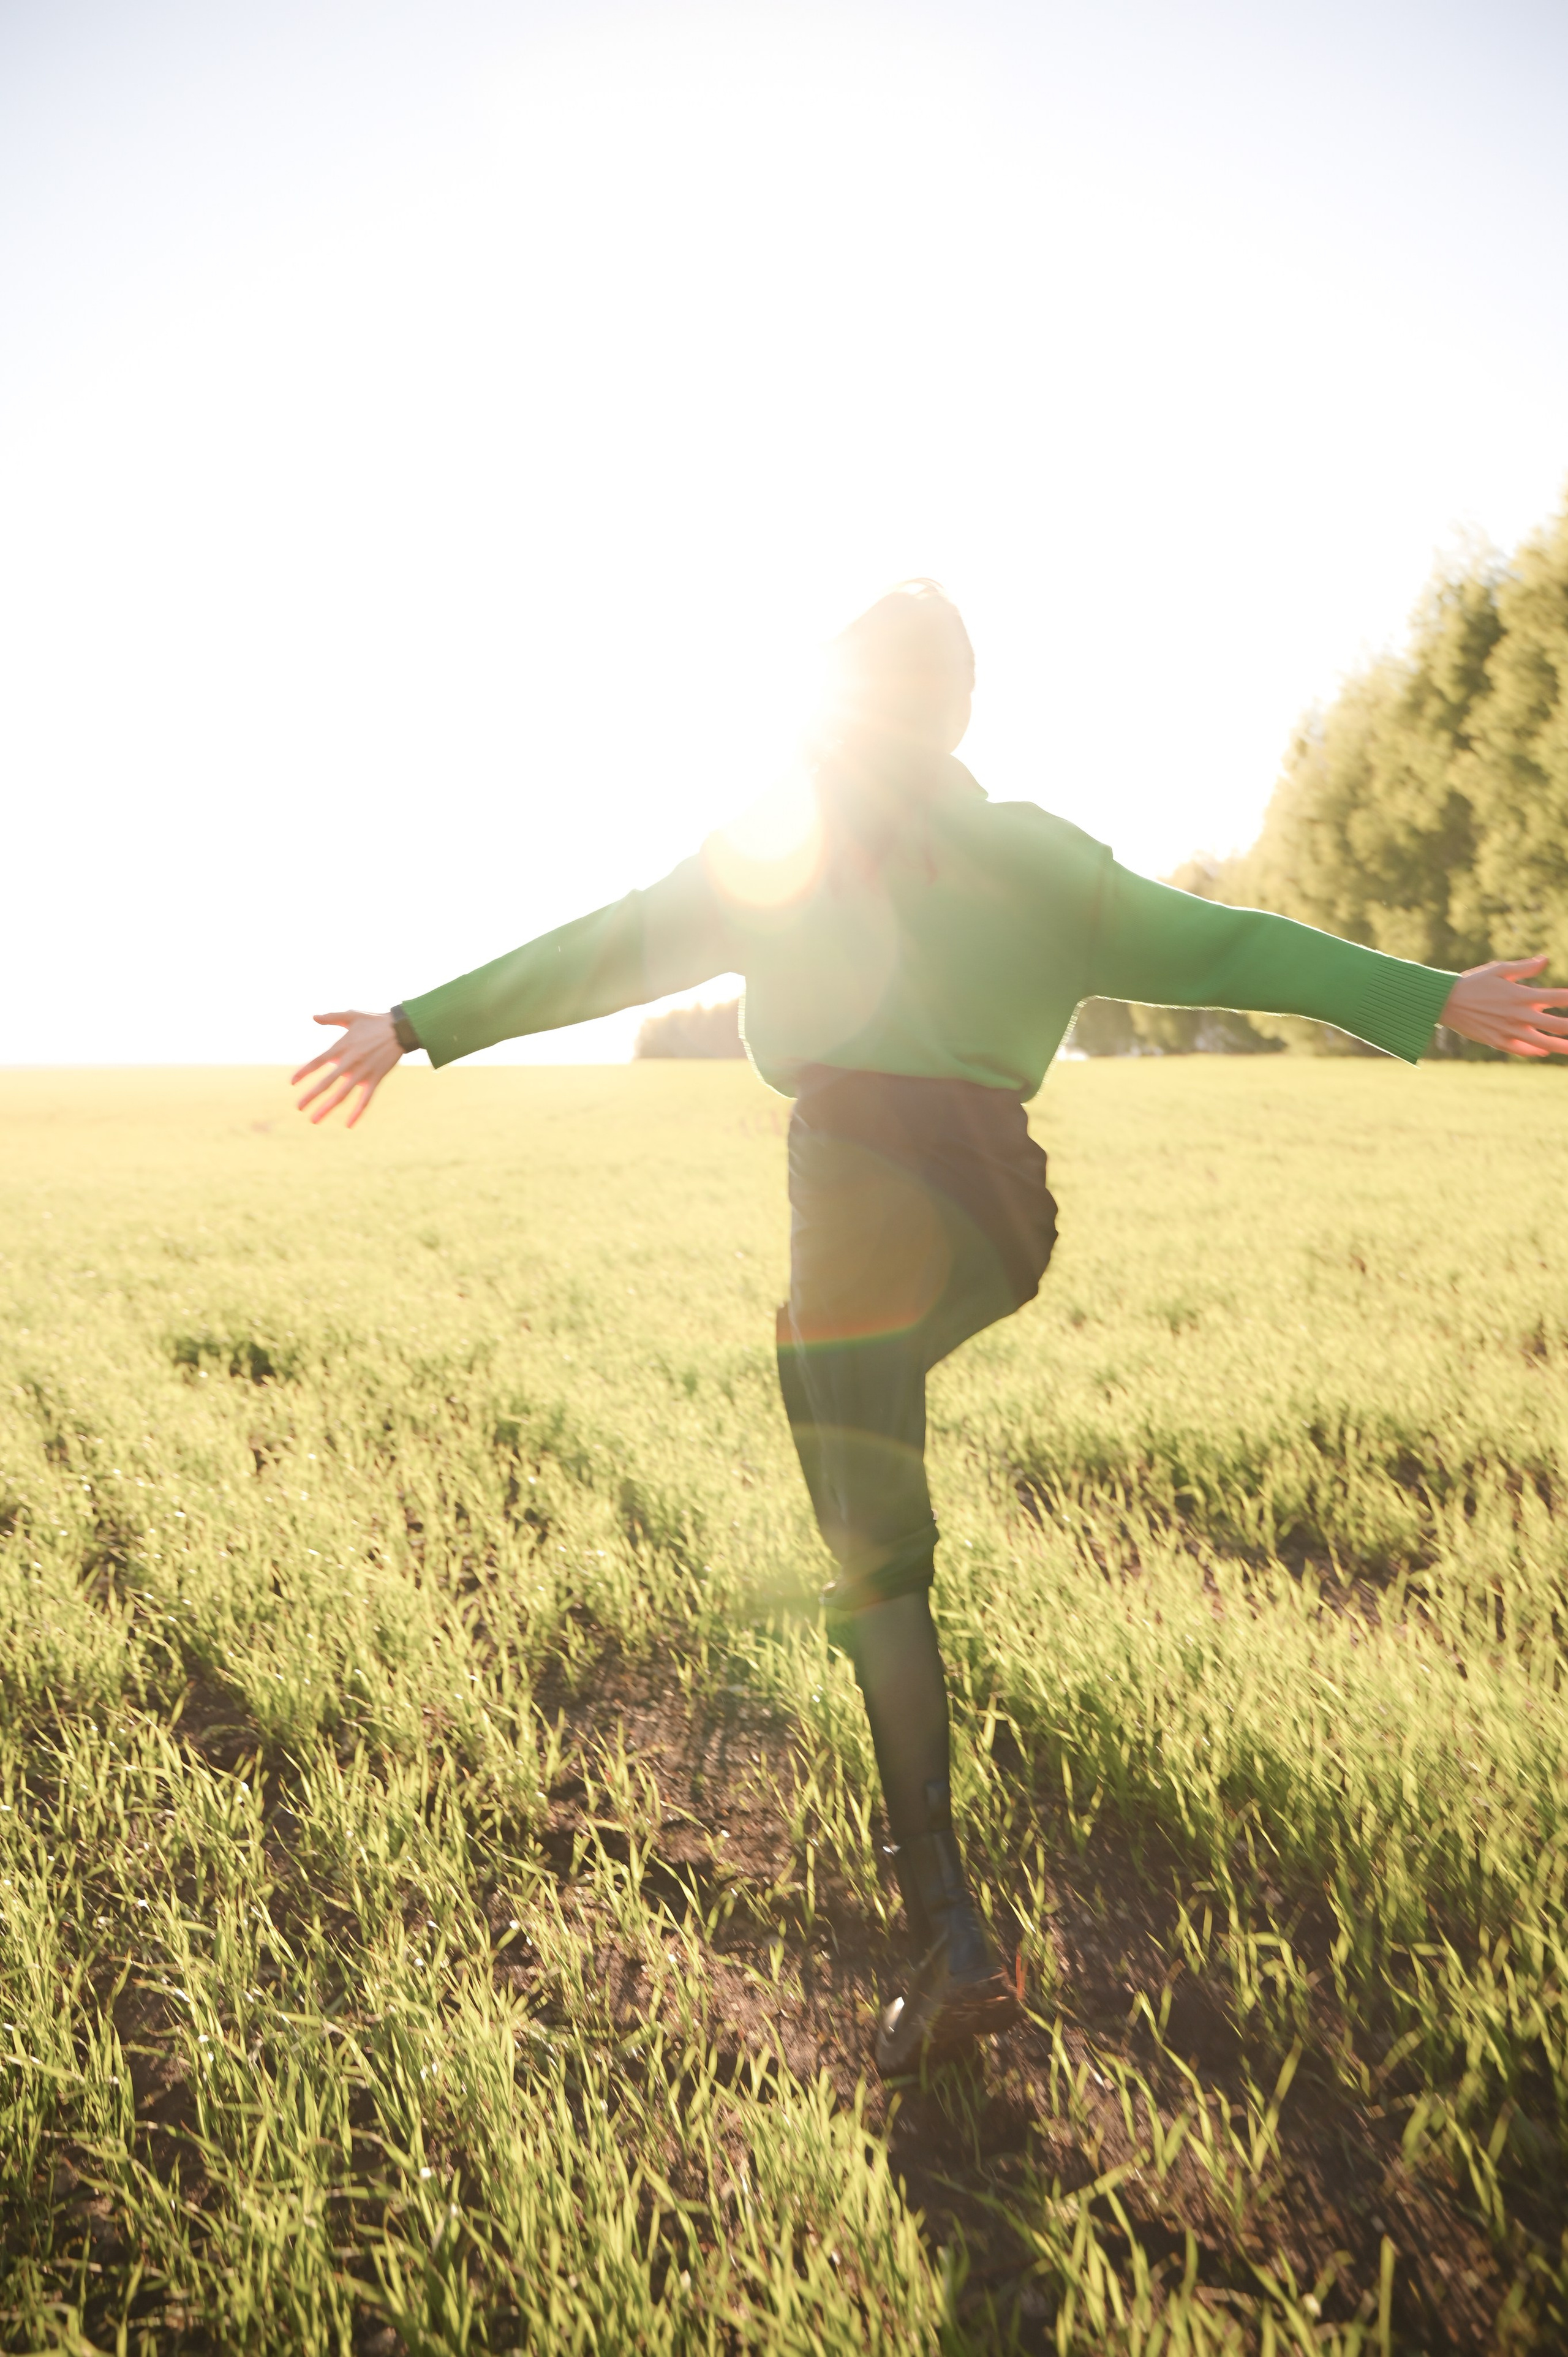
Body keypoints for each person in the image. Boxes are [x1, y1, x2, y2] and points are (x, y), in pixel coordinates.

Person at [294, 579, 1568, 2075]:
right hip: (996, 1217)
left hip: (853, 1196)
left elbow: (611, 946)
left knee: (872, 1556)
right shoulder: (1037, 856)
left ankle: (947, 1930)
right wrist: (1429, 996)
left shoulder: (780, 845)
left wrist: (418, 1019)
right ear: (960, 712)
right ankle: (928, 1823)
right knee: (860, 1441)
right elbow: (1227, 949)